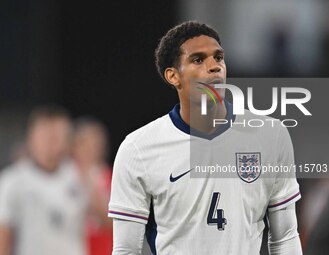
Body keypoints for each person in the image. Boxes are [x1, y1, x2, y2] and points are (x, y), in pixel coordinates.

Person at [108, 21, 303, 254]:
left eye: (218, 57)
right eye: (198, 60)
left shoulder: (271, 135)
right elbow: (126, 249)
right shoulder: (138, 148)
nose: (214, 66)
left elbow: (285, 237)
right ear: (173, 76)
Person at [0, 105, 88, 255]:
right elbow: (3, 237)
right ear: (31, 138)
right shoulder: (13, 181)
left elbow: (107, 221)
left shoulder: (79, 175)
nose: (53, 142)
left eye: (59, 136)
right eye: (47, 136)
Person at [72, 117, 113, 255]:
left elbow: (112, 221)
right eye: (85, 144)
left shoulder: (111, 177)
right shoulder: (65, 175)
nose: (90, 150)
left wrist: (91, 188)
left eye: (95, 145)